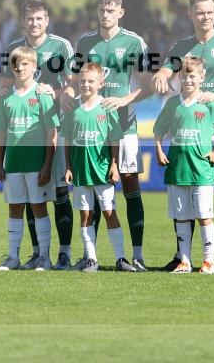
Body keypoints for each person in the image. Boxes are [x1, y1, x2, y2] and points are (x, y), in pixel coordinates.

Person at [152, 0, 214, 272]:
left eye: (210, 12)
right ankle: (183, 256)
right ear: (190, 14)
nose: (205, 16)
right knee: (185, 189)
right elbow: (166, 71)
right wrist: (160, 75)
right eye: (200, 12)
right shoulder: (181, 46)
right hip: (189, 131)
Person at [65, 0, 150, 271]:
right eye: (102, 10)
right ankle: (91, 256)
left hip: (123, 126)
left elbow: (147, 84)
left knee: (128, 184)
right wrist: (66, 93)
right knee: (91, 187)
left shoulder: (134, 42)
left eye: (111, 10)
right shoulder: (85, 42)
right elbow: (75, 80)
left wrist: (125, 99)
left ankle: (135, 255)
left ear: (121, 13)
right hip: (90, 125)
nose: (105, 15)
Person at [3, 0, 75, 270]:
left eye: (39, 19)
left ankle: (65, 252)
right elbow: (9, 84)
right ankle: (37, 252)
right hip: (26, 135)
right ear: (23, 21)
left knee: (59, 191)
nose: (34, 24)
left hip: (54, 127)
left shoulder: (61, 46)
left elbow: (72, 84)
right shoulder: (14, 48)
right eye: (30, 19)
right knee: (34, 195)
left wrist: (56, 93)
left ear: (47, 21)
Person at [154, 57, 214, 274]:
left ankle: (209, 262)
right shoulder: (172, 103)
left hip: (202, 169)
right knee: (181, 216)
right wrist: (159, 149)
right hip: (177, 169)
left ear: (202, 77)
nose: (187, 79)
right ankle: (185, 261)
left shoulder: (209, 103)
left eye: (192, 76)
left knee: (204, 215)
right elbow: (158, 130)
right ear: (178, 77)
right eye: (183, 76)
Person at [61, 62, 135, 272]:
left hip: (102, 168)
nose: (86, 84)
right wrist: (67, 166)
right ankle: (91, 259)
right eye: (82, 80)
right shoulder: (73, 108)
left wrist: (114, 165)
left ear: (100, 83)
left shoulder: (106, 107)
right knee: (85, 215)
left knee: (109, 212)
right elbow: (67, 140)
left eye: (91, 81)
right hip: (80, 169)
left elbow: (114, 139)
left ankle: (121, 258)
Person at [0, 46, 59, 271]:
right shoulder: (5, 98)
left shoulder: (42, 94)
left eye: (25, 64)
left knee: (39, 208)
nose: (20, 68)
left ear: (34, 66)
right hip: (12, 163)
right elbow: (1, 133)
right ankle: (13, 257)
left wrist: (47, 165)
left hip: (36, 163)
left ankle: (44, 258)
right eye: (16, 64)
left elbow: (52, 133)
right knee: (14, 208)